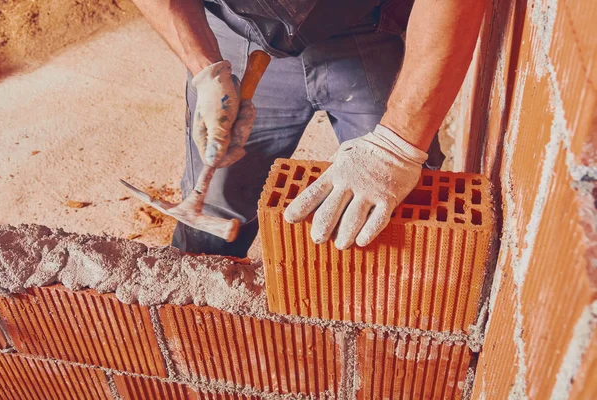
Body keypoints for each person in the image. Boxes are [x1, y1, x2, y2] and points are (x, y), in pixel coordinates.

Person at [131, 0, 486, 257]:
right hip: (237, 31)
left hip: (363, 27)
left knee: (403, 204)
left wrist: (398, 147)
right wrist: (205, 69)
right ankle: (194, 325)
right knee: (216, 205)